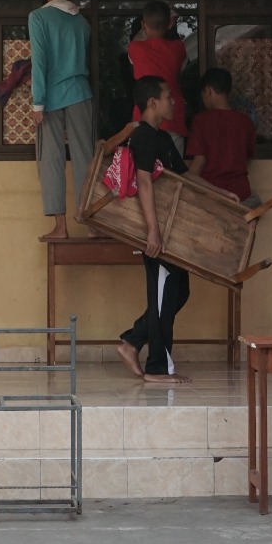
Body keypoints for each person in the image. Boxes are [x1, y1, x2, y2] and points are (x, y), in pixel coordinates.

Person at [114, 77, 193, 385]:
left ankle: (132, 341)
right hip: (157, 231)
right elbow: (144, 182)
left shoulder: (161, 138)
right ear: (152, 103)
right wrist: (153, 232)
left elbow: (184, 178)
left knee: (178, 291)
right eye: (168, 97)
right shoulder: (143, 136)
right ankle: (157, 368)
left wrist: (220, 194)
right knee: (164, 293)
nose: (174, 101)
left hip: (169, 231)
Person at [29, 0, 95, 242]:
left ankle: (61, 226)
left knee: (51, 159)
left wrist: (37, 103)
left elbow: (40, 62)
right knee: (86, 160)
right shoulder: (82, 23)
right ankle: (93, 225)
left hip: (52, 97)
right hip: (81, 93)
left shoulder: (39, 17)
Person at [185, 67, 258, 207]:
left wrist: (185, 181)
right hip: (242, 193)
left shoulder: (201, 121)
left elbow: (199, 162)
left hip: (212, 194)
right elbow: (247, 156)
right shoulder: (246, 121)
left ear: (207, 91)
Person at [127, 0, 189, 151]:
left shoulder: (135, 48)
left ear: (143, 25)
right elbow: (183, 67)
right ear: (169, 24)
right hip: (172, 116)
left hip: (144, 118)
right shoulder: (179, 48)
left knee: (143, 168)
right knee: (173, 172)